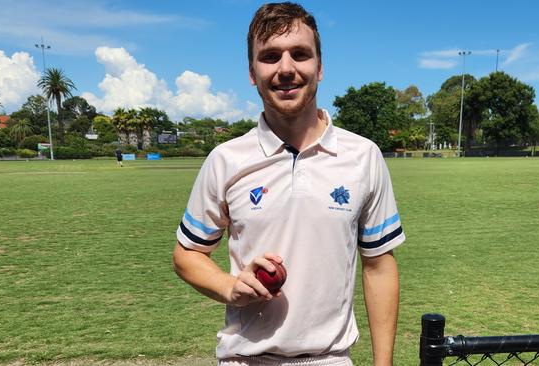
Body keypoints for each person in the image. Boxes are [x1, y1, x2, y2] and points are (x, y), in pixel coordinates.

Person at [172, 3, 404, 365]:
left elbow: (379, 265)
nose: (285, 69)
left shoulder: (363, 156)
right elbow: (187, 254)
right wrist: (229, 287)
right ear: (252, 72)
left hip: (330, 359)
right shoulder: (226, 159)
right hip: (246, 360)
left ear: (320, 67)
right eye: (269, 56)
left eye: (300, 54)